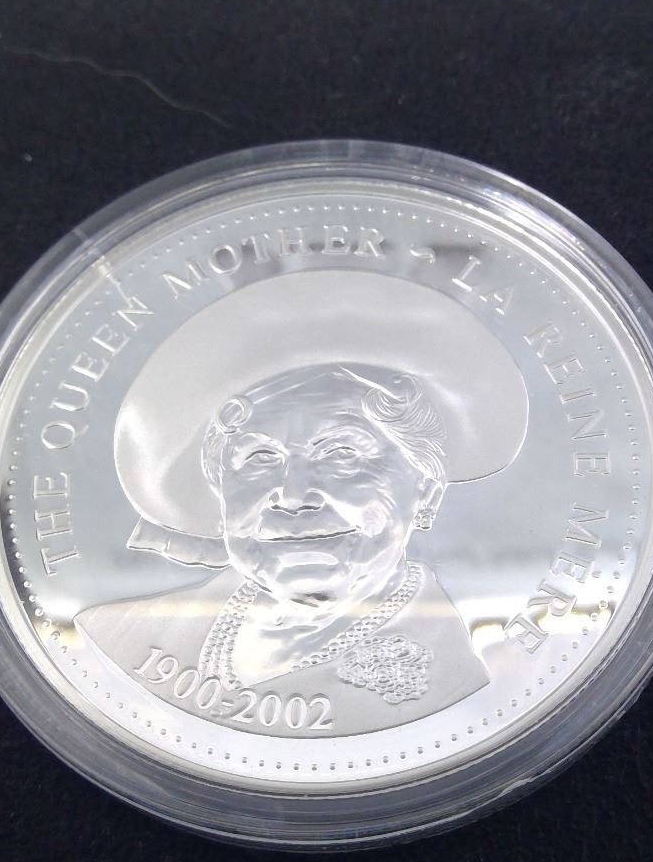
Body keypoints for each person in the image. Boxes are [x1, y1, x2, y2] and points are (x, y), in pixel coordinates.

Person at [75, 271, 528, 735]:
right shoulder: (119, 634)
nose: (293, 497)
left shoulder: (462, 687)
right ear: (221, 488)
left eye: (341, 454)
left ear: (426, 487)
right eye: (260, 457)